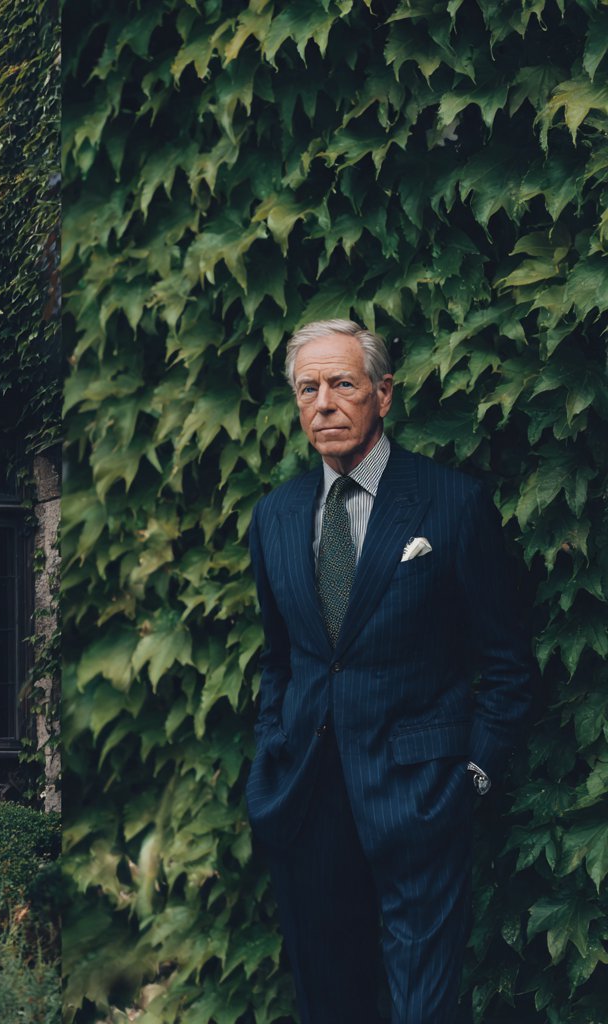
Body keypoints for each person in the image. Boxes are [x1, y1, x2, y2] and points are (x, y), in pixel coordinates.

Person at [244, 319, 533, 1024]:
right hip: (307, 798)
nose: (324, 402)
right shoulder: (275, 516)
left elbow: (506, 665)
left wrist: (473, 776)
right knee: (329, 1003)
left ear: (384, 393)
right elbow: (281, 660)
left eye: (343, 383)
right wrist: (271, 756)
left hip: (421, 797)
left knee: (422, 1007)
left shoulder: (451, 505)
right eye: (308, 388)